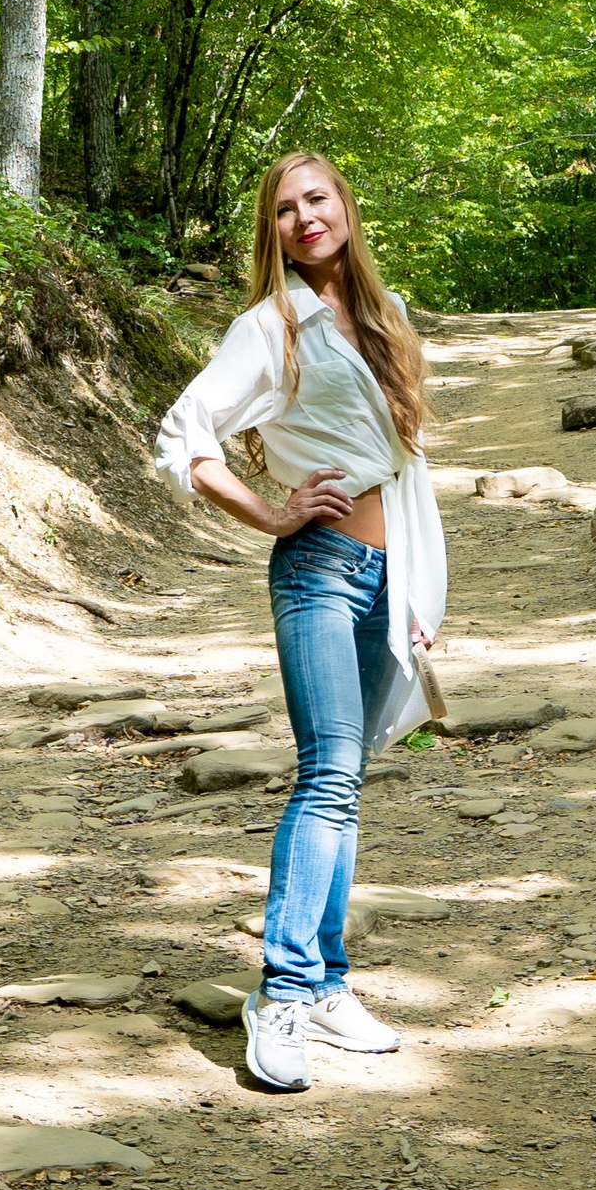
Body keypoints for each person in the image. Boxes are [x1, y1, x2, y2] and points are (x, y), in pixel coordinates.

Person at [154, 151, 446, 1091]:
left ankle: (328, 984)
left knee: (349, 780)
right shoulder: (270, 325)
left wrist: (419, 592)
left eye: (316, 199)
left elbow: (408, 470)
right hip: (318, 570)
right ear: (270, 230)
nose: (304, 218)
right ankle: (279, 993)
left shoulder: (384, 315)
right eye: (284, 209)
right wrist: (272, 510)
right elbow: (184, 432)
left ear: (346, 205)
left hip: (385, 574)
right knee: (326, 776)